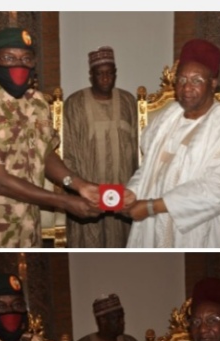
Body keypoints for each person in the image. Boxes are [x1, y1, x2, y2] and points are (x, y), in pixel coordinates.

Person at [0, 28, 101, 248]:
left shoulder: (37, 102)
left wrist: (77, 184)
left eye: (26, 59)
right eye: (8, 58)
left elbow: (45, 153)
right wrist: (64, 201)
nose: (19, 65)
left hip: (28, 226)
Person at [125, 39, 220, 248]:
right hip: (151, 220)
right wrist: (133, 192)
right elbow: (150, 169)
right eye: (181, 80)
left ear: (213, 83)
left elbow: (219, 189)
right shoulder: (167, 117)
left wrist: (152, 206)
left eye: (196, 80)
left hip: (197, 227)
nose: (187, 88)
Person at [64, 46, 138, 248]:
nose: (105, 78)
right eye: (100, 74)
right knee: (88, 240)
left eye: (110, 73)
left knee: (122, 241)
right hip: (88, 191)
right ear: (91, 76)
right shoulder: (74, 103)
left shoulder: (128, 101)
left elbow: (138, 148)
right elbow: (68, 152)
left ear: (115, 74)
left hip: (122, 189)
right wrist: (76, 188)